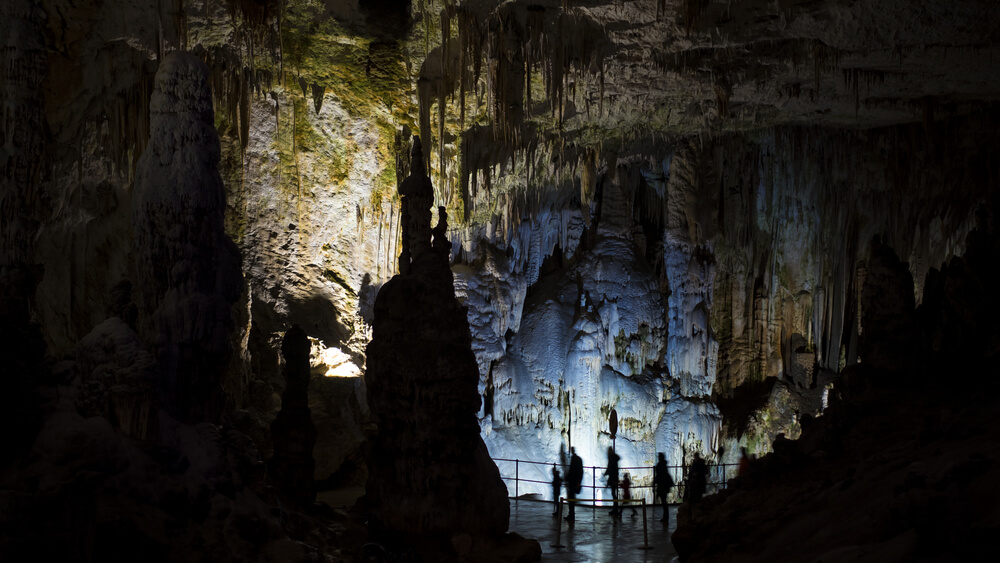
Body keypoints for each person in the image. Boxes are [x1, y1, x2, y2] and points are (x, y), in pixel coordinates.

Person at [652, 452, 674, 523]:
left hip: (662, 486)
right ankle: (665, 517)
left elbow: (659, 476)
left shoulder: (660, 465)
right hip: (664, 486)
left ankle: (665, 517)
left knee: (664, 502)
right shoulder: (664, 465)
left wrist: (654, 482)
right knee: (664, 501)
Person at [566, 448, 583, 522]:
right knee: (571, 499)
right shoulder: (576, 459)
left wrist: (578, 481)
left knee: (571, 499)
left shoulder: (576, 459)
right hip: (573, 482)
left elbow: (576, 471)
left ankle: (571, 515)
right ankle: (571, 514)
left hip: (573, 482)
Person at [604, 446, 621, 520]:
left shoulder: (611, 458)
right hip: (615, 477)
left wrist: (606, 473)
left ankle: (615, 509)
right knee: (614, 494)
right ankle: (615, 509)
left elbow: (610, 467)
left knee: (614, 494)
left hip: (613, 478)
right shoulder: (614, 458)